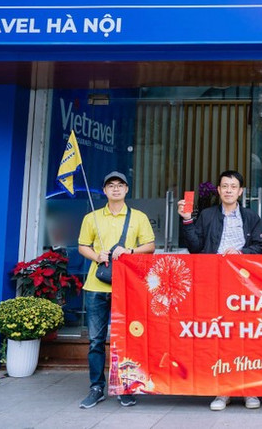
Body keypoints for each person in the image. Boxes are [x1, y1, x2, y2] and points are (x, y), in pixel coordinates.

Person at [178, 170, 262, 411]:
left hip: (243, 285)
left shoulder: (251, 217)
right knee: (219, 336)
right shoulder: (206, 215)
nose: (228, 190)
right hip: (213, 283)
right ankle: (222, 391)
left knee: (246, 338)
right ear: (218, 190)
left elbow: (261, 246)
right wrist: (187, 219)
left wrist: (241, 253)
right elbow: (195, 247)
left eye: (233, 186)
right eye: (224, 186)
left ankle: (249, 390)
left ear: (240, 191)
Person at [78, 171, 156, 409]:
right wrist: (97, 255)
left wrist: (130, 252)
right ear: (104, 191)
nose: (115, 189)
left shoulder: (138, 217)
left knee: (128, 339)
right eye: (110, 185)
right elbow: (83, 246)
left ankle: (125, 385)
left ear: (126, 190)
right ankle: (97, 387)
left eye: (119, 185)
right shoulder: (92, 217)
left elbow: (150, 246)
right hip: (96, 286)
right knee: (95, 340)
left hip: (128, 287)